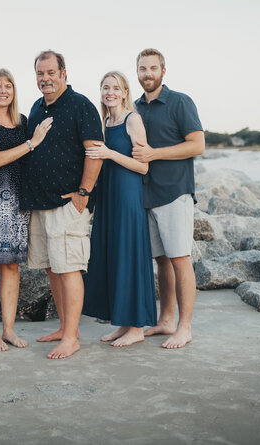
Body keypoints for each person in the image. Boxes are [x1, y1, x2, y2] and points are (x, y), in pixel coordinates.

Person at [21, 50, 103, 359]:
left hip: (68, 203)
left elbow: (95, 151)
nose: (45, 79)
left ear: (64, 73)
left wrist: (83, 192)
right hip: (40, 204)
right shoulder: (37, 107)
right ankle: (65, 327)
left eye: (50, 72)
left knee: (69, 270)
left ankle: (72, 337)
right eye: (40, 74)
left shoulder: (81, 105)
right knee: (53, 268)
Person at [0, 69, 53, 351]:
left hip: (16, 202)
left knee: (12, 266)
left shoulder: (22, 121)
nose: (3, 91)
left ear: (14, 91)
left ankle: (9, 330)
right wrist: (31, 143)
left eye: (8, 86)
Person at [132, 48, 205, 349]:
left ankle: (184, 326)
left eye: (152, 68)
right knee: (160, 260)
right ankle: (165, 320)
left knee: (179, 258)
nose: (147, 73)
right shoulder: (134, 106)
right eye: (142, 69)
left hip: (174, 192)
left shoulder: (180, 102)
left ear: (163, 71)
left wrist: (155, 153)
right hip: (145, 194)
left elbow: (197, 144)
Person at [83, 71, 157, 346]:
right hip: (109, 195)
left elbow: (143, 165)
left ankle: (137, 328)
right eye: (105, 87)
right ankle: (122, 322)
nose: (110, 92)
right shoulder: (105, 120)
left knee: (129, 256)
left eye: (115, 88)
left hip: (127, 195)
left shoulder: (132, 119)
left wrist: (111, 153)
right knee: (113, 257)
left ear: (125, 92)